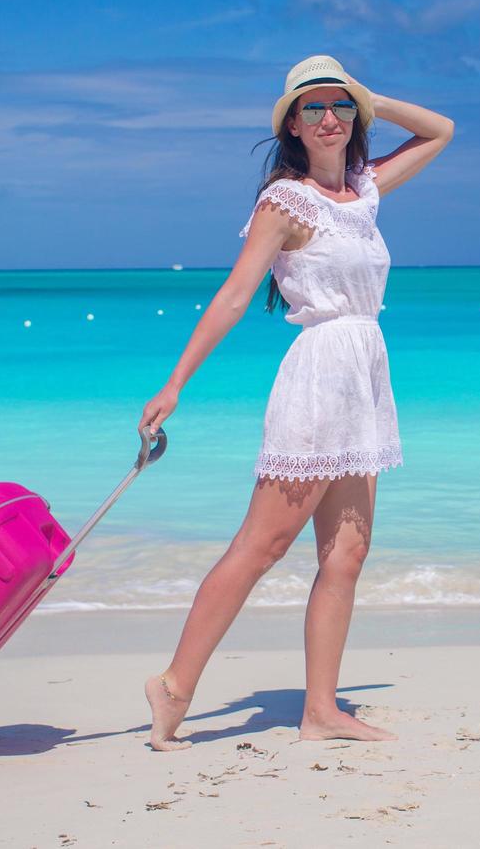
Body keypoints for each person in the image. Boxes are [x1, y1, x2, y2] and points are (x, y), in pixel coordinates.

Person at [137, 55, 453, 750]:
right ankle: (176, 685)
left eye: (341, 106)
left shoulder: (365, 192)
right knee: (264, 543)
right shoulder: (285, 202)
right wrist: (176, 384)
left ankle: (319, 711)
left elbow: (440, 132)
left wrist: (371, 95)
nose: (331, 118)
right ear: (293, 127)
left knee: (348, 551)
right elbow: (233, 295)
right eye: (313, 108)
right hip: (319, 374)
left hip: (365, 373)